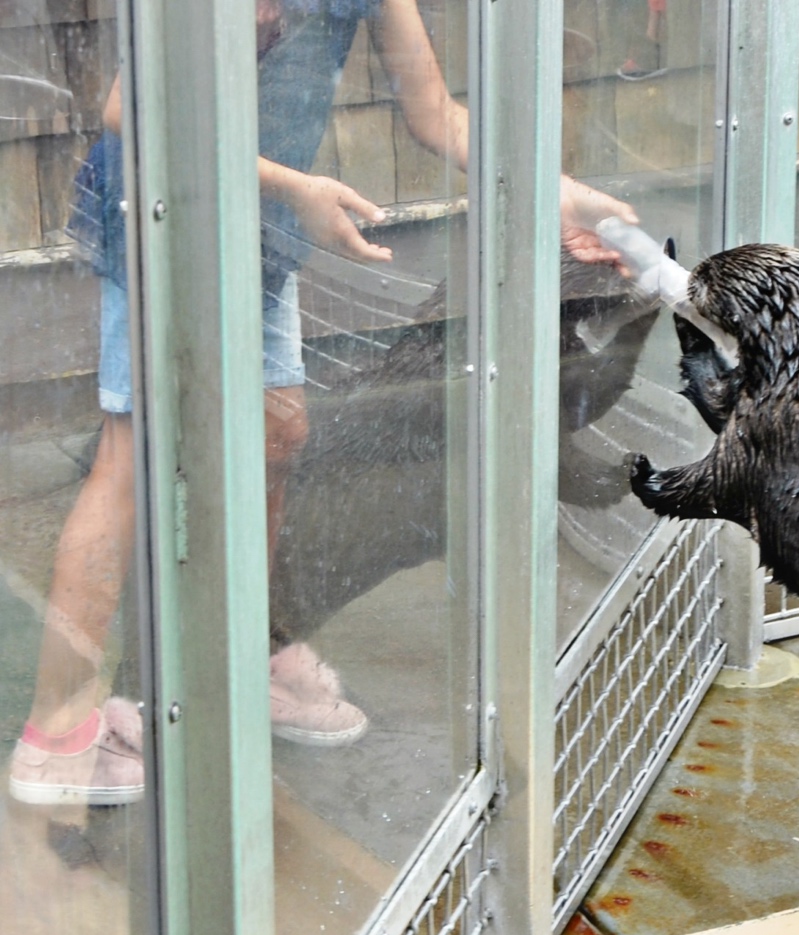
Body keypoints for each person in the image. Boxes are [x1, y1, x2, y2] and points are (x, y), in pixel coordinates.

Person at [8, 0, 638, 806]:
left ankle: (238, 666)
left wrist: (560, 192)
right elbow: (131, 109)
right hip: (163, 210)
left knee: (280, 435)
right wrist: (297, 187)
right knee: (130, 461)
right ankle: (56, 736)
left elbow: (436, 113)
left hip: (263, 224)